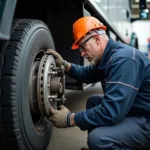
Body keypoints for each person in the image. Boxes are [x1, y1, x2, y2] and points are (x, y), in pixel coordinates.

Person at [46, 16, 150, 150]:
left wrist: (70, 119)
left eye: (83, 47)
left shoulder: (123, 59)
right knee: (93, 101)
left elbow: (111, 112)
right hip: (134, 109)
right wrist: (65, 65)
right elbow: (87, 74)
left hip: (146, 121)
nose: (82, 53)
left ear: (96, 39)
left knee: (99, 139)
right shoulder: (108, 57)